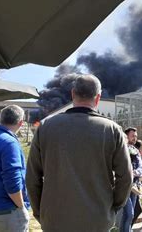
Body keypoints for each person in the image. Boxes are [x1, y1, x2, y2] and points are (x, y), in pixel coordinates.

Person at [26, 74, 132, 232]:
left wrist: (41, 212)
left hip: (54, 220)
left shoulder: (46, 127)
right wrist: (112, 208)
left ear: (72, 93)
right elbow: (126, 177)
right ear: (98, 97)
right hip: (98, 221)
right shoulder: (112, 130)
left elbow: (32, 178)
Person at [119, 127, 142, 232]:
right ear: (126, 136)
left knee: (128, 214)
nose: (135, 138)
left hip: (135, 186)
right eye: (132, 136)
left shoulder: (136, 150)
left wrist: (136, 172)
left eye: (136, 136)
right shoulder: (121, 149)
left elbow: (141, 166)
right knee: (130, 214)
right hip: (125, 186)